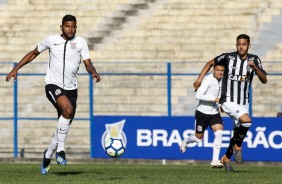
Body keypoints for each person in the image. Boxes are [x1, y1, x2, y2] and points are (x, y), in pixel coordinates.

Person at [6, 14, 101, 175]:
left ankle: (47, 155)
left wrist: (93, 72)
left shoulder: (81, 43)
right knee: (68, 111)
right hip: (53, 85)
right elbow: (33, 53)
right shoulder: (51, 40)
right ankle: (61, 151)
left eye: (73, 26)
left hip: (72, 90)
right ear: (61, 27)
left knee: (62, 126)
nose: (70, 29)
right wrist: (16, 68)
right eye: (67, 26)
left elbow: (88, 64)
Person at [193, 34, 267, 172]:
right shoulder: (228, 57)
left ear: (249, 46)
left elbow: (264, 80)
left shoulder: (254, 59)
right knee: (247, 122)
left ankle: (226, 158)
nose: (241, 46)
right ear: (236, 45)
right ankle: (238, 146)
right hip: (227, 99)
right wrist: (199, 80)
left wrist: (256, 68)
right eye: (238, 44)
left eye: (244, 44)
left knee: (239, 131)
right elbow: (210, 63)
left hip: (243, 102)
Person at [180, 64, 225, 168]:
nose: (220, 72)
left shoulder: (223, 80)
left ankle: (215, 160)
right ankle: (186, 140)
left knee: (219, 132)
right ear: (214, 70)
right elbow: (198, 95)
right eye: (218, 70)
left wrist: (220, 105)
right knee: (198, 139)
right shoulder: (208, 80)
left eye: (222, 70)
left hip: (214, 112)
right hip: (202, 113)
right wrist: (215, 99)